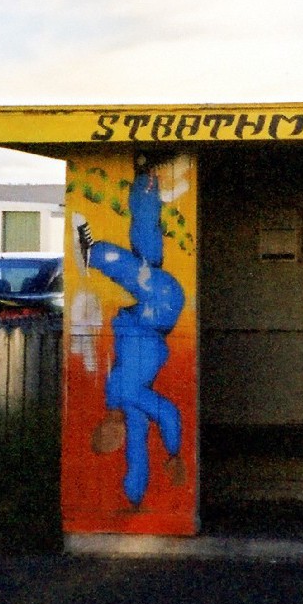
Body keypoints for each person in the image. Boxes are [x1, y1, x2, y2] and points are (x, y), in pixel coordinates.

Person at [76, 154, 186, 507]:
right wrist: (172, 453)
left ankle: (145, 179)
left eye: (110, 432)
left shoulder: (122, 400)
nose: (121, 432)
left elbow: (137, 451)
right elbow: (169, 413)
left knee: (145, 243)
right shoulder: (129, 398)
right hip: (160, 308)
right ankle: (94, 254)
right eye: (114, 434)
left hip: (148, 317)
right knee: (138, 270)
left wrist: (133, 500)